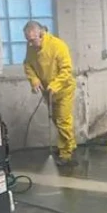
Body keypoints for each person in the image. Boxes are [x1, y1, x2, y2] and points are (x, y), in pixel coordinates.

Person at [23, 21, 77, 166]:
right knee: (56, 120)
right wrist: (34, 80)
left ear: (41, 34)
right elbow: (27, 64)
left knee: (63, 121)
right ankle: (66, 145)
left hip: (64, 89)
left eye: (33, 40)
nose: (30, 44)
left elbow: (66, 70)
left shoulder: (58, 46)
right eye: (28, 40)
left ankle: (67, 154)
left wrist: (55, 85)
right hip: (48, 92)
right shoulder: (31, 48)